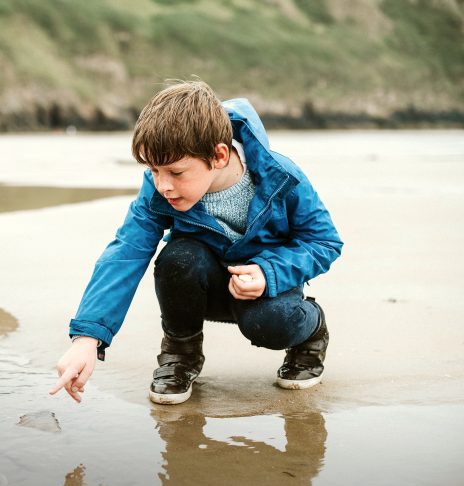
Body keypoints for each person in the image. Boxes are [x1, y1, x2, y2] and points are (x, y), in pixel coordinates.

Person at [49, 81, 342, 404]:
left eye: (175, 172)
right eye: (153, 170)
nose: (163, 185)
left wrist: (269, 272)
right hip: (204, 285)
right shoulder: (159, 187)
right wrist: (88, 338)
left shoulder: (282, 176)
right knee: (178, 259)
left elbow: (324, 241)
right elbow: (127, 251)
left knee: (270, 322)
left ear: (218, 155)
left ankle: (311, 335)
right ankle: (180, 355)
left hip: (267, 292)